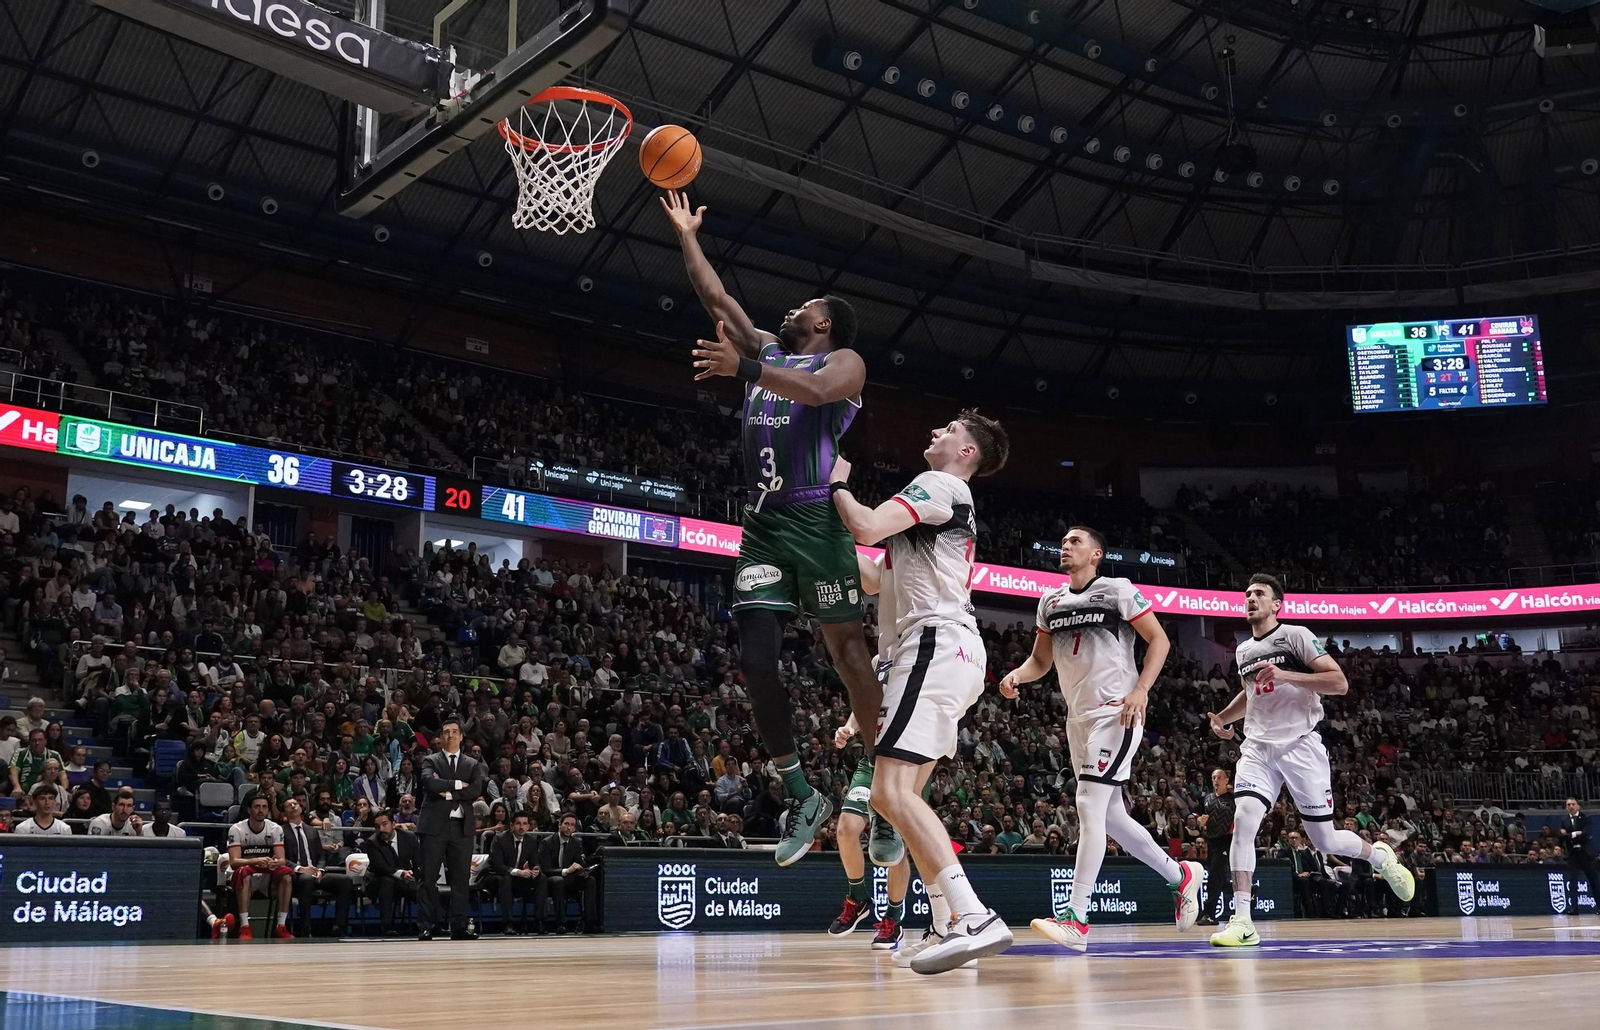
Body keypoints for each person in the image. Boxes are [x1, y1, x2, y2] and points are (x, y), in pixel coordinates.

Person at [664, 188, 881, 866]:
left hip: (817, 521)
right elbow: (713, 297)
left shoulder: (844, 365)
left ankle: (880, 782)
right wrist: (686, 235)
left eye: (807, 308)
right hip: (761, 526)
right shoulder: (762, 349)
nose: (794, 310)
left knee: (847, 656)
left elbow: (814, 393)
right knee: (755, 662)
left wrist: (749, 368)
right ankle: (803, 792)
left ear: (825, 326)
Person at [829, 410, 1015, 974]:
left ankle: (973, 917)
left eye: (949, 430)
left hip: (933, 646)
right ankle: (948, 922)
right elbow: (872, 571)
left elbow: (863, 525)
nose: (934, 432)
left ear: (967, 453)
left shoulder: (939, 484)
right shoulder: (937, 512)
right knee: (894, 796)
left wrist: (834, 481)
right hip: (949, 651)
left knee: (890, 791)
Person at [1001, 525, 1203, 953]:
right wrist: (1018, 675)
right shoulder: (1049, 601)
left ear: (1096, 554)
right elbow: (1040, 661)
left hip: (1118, 711)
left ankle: (1076, 918)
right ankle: (1180, 876)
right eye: (1064, 541)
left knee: (1088, 805)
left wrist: (1141, 690)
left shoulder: (1117, 589)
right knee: (1111, 817)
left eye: (1075, 541)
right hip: (1078, 718)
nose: (1065, 546)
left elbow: (1160, 640)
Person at [1205, 573, 1414, 947]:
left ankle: (1379, 856)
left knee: (1324, 838)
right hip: (1258, 747)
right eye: (1247, 594)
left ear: (1276, 605)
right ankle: (1242, 920)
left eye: (1259, 594)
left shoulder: (1296, 635)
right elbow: (1251, 695)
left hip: (1300, 746)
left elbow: (1339, 682)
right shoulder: (1241, 651)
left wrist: (1287, 674)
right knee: (1244, 819)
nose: (1250, 599)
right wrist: (1222, 718)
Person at [416, 717, 485, 940]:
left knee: (460, 879)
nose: (451, 735)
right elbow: (429, 783)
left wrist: (446, 791)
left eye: (455, 732)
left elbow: (474, 790)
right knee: (428, 878)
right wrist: (456, 785)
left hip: (461, 827)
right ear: (441, 737)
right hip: (434, 826)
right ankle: (426, 925)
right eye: (446, 732)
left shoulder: (472, 764)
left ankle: (458, 926)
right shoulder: (430, 760)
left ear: (461, 736)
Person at [281, 797, 353, 937]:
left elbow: (321, 855)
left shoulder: (311, 830)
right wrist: (300, 869)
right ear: (284, 812)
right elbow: (282, 858)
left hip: (315, 873)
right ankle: (305, 928)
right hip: (295, 875)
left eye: (296, 804)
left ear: (301, 809)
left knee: (345, 881)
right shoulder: (280, 831)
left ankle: (339, 926)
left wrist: (320, 870)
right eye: (289, 805)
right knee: (306, 879)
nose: (294, 806)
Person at [226, 793, 294, 940]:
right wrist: (255, 860)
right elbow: (234, 862)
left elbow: (282, 860)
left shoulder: (275, 829)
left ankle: (281, 926)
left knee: (286, 876)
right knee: (245, 874)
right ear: (249, 810)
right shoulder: (236, 829)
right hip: (244, 872)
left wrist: (276, 862)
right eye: (257, 807)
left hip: (267, 873)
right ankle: (245, 927)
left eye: (264, 807)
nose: (261, 810)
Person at [363, 809, 421, 936]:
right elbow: (381, 867)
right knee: (388, 882)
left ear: (393, 824)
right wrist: (401, 873)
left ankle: (432, 925)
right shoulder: (372, 842)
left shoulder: (409, 838)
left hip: (404, 879)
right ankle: (387, 927)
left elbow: (418, 862)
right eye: (377, 826)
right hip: (377, 881)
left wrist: (415, 874)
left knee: (427, 883)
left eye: (384, 824)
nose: (381, 829)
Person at [489, 812, 547, 934]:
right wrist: (517, 872)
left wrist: (535, 870)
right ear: (511, 825)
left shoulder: (530, 841)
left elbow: (535, 862)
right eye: (518, 824)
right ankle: (508, 923)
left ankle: (539, 922)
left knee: (541, 878)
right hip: (497, 876)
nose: (522, 827)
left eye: (525, 824)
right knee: (506, 879)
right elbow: (497, 865)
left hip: (520, 878)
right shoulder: (500, 839)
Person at [539, 813, 597, 933]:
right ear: (559, 825)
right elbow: (545, 869)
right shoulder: (547, 842)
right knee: (558, 881)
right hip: (551, 879)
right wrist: (566, 871)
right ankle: (561, 923)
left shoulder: (576, 843)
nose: (569, 828)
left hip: (570, 879)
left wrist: (582, 868)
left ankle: (589, 922)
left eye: (572, 825)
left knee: (590, 880)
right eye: (566, 824)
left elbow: (578, 862)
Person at [1198, 768, 1235, 925]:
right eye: (1213, 777)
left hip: (1226, 840)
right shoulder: (1208, 798)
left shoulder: (1234, 799)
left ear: (1226, 781)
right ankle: (1249, 890)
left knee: (1214, 877)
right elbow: (1203, 820)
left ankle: (1209, 914)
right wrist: (1201, 823)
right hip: (1211, 841)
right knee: (1218, 879)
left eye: (1219, 777)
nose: (1216, 780)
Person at [1558, 797, 1598, 908]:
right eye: (1568, 805)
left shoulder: (1585, 818)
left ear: (1578, 806)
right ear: (1566, 807)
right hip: (1572, 854)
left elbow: (1585, 835)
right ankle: (1574, 908)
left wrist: (1569, 835)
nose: (1571, 806)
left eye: (1573, 804)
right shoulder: (1563, 820)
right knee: (1572, 882)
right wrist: (1575, 834)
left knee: (1594, 881)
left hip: (1586, 853)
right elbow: (1561, 836)